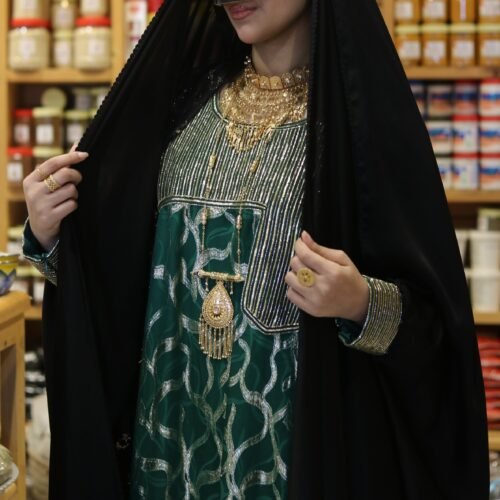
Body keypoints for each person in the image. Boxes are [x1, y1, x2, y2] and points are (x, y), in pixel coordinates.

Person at [22, 0, 489, 498]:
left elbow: (436, 334)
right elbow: (126, 287)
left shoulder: (360, 126)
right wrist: (50, 235)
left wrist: (360, 302)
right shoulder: (182, 109)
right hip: (168, 445)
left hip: (291, 458)